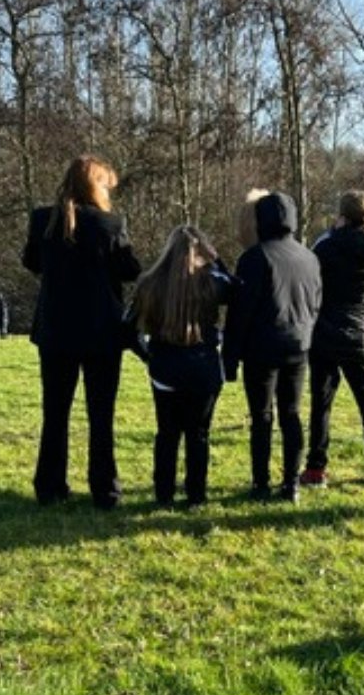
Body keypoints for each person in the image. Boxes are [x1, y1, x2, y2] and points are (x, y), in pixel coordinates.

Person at [22, 155, 141, 509]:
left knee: (55, 412)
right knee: (101, 414)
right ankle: (105, 489)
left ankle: (50, 485)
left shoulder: (43, 220)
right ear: (97, 186)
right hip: (102, 333)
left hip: (56, 330)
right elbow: (130, 270)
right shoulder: (110, 224)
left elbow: (31, 262)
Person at [222, 190, 322, 502]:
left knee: (262, 415)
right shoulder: (309, 257)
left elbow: (241, 312)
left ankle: (261, 483)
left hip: (261, 348)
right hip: (299, 344)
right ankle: (291, 483)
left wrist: (230, 357)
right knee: (291, 413)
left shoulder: (255, 258)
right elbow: (316, 302)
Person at [125, 225, 234, 507]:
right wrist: (216, 259)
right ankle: (196, 496)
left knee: (167, 434)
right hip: (203, 367)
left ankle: (164, 495)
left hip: (165, 368)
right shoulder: (212, 282)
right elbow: (237, 288)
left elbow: (127, 329)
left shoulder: (149, 283)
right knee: (198, 435)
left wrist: (148, 356)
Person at [302, 189, 364, 489]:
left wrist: (333, 230)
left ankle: (316, 469)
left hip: (325, 332)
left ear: (341, 215)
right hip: (360, 334)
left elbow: (312, 282)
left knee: (321, 404)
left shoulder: (326, 246)